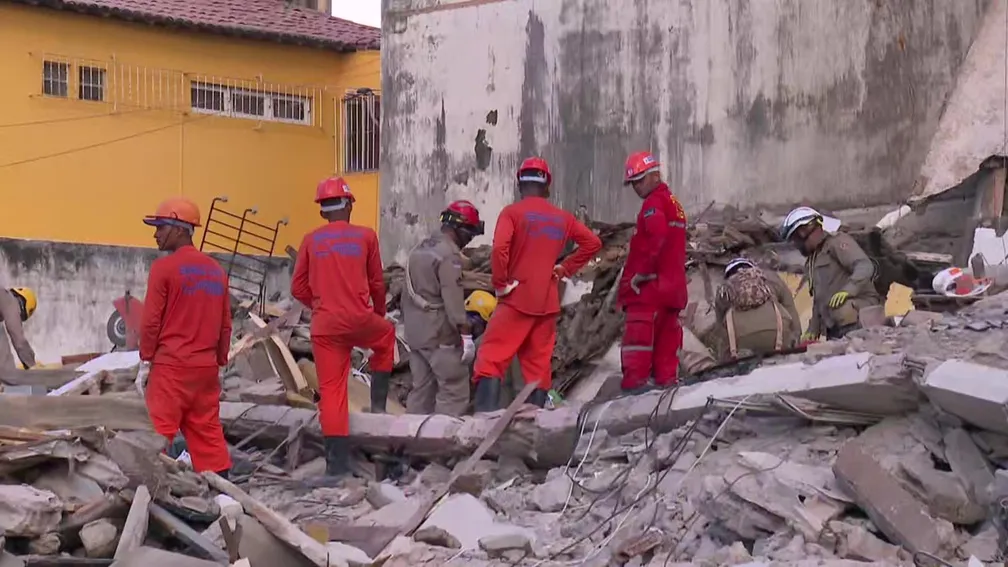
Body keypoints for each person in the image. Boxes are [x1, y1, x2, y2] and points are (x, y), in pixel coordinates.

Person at [472, 157, 602, 411]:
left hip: (515, 299)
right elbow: (593, 243)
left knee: (491, 359)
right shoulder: (563, 218)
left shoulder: (512, 213)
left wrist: (501, 283)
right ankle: (536, 423)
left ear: (520, 184)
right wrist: (565, 268)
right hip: (547, 302)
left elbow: (499, 250)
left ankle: (484, 422)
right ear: (547, 186)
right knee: (538, 369)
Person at [291, 176, 395, 485]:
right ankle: (378, 407)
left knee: (333, 393)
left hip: (326, 325)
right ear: (349, 204)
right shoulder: (366, 237)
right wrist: (378, 314)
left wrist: (319, 304)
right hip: (359, 319)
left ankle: (335, 468)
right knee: (386, 337)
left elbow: (297, 287)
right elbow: (377, 283)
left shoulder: (311, 240)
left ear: (322, 210)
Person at [139, 197, 232, 477]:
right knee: (208, 435)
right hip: (205, 370)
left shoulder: (163, 269)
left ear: (180, 229)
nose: (156, 234)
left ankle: (150, 493)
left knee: (157, 435)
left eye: (161, 227)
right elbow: (225, 325)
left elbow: (150, 322)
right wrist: (220, 360)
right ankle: (224, 494)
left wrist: (145, 360)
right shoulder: (216, 271)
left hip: (171, 370)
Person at [403, 200, 485, 416]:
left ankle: (412, 434)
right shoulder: (449, 256)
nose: (469, 240)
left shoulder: (419, 249)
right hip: (439, 336)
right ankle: (443, 436)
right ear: (460, 229)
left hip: (416, 334)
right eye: (470, 234)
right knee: (453, 391)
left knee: (421, 391)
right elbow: (453, 300)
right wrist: (465, 333)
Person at [617, 151, 688, 393]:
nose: (636, 187)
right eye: (633, 183)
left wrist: (642, 273)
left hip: (649, 294)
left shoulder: (653, 204)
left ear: (654, 175)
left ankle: (632, 402)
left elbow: (657, 237)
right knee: (666, 359)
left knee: (637, 352)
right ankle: (665, 398)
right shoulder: (673, 204)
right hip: (672, 292)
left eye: (639, 180)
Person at [780, 206, 880, 340]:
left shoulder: (837, 242)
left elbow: (864, 265)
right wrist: (813, 329)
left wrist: (848, 290)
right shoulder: (812, 261)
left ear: (809, 229)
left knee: (844, 311)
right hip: (834, 323)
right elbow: (819, 299)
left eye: (797, 238)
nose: (797, 245)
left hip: (858, 315)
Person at [713, 258, 801, 360]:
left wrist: (725, 359)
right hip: (776, 333)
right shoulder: (771, 278)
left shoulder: (723, 289)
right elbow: (791, 311)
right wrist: (795, 339)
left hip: (741, 340)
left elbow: (720, 329)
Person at [0, 287, 37, 370]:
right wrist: (32, 365)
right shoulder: (10, 301)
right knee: (6, 363)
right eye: (21, 316)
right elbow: (19, 340)